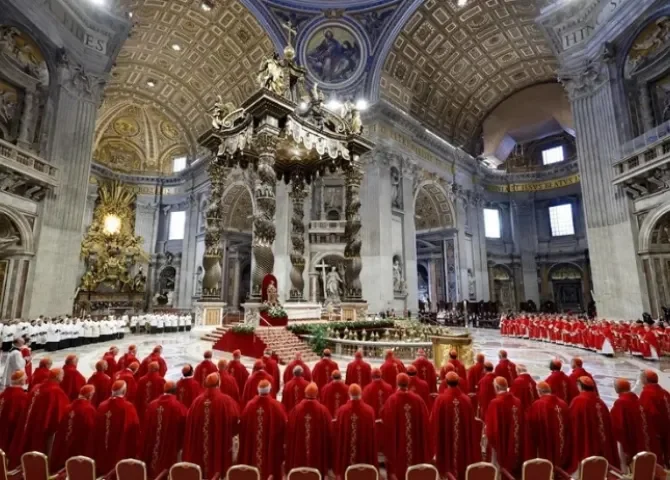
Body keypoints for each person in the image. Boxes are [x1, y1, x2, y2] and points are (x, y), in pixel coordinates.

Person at [183, 373, 240, 478]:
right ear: (218, 384)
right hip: (218, 446)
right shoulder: (226, 401)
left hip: (199, 447)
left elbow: (189, 425)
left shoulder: (196, 402)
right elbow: (235, 424)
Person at [10, 368, 70, 467]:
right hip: (44, 428)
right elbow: (63, 411)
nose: (63, 378)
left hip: (32, 423)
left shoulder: (37, 387)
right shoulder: (55, 391)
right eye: (62, 375)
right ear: (57, 377)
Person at [432, 372, 481, 480]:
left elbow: (434, 422)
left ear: (446, 382)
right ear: (458, 382)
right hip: (462, 440)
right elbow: (471, 424)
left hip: (446, 438)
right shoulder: (466, 400)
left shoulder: (440, 399)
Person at [382, 373, 432, 480]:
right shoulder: (418, 399)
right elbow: (425, 421)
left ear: (397, 383)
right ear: (408, 383)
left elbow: (385, 419)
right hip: (415, 443)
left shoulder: (392, 400)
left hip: (399, 444)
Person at [238, 379, 287, 480]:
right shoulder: (277, 406)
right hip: (270, 449)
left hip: (253, 448)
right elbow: (284, 427)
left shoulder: (249, 406)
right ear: (270, 390)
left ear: (258, 390)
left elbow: (242, 427)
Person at [568, 376, 619, 472]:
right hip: (601, 441)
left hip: (587, 440)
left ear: (580, 386)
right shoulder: (600, 402)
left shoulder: (578, 400)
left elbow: (571, 420)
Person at [140, 381, 188, 479]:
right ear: (175, 391)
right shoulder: (179, 407)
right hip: (169, 447)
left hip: (152, 446)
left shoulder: (152, 405)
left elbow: (145, 429)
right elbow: (184, 430)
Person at [91, 380, 141, 475]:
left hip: (102, 452)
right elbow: (134, 430)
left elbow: (96, 429)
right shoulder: (128, 407)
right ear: (124, 391)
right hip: (119, 452)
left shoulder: (102, 406)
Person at [285, 382, 332, 478]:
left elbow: (289, 431)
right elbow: (329, 434)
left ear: (305, 393)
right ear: (316, 394)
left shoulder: (296, 410)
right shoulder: (323, 411)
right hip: (317, 456)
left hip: (298, 455)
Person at [611, 378, 658, 472]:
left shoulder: (621, 402)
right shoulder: (638, 400)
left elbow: (616, 425)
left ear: (617, 389)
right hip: (643, 439)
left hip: (629, 439)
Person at [49, 385, 97, 472]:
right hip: (78, 447)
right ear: (90, 396)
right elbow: (91, 431)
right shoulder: (89, 409)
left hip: (63, 445)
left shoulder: (68, 407)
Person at [525, 381, 571, 471]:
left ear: (539, 392)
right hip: (562, 442)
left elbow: (531, 424)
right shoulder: (563, 403)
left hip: (547, 441)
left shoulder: (538, 404)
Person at [334, 383, 377, 477]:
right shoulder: (369, 411)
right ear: (361, 394)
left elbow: (338, 433)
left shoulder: (342, 411)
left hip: (347, 451)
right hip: (364, 450)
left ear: (349, 394)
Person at [485, 377, 524, 474]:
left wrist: (489, 437)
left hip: (500, 440)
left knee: (497, 465)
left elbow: (491, 427)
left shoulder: (495, 403)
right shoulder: (517, 401)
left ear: (497, 387)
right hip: (514, 439)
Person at [639, 369, 670, 467]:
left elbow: (649, 413)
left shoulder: (647, 393)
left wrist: (654, 432)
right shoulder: (665, 392)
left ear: (645, 380)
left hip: (656, 430)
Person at [362, 367, 392, 452]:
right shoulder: (389, 387)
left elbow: (365, 406)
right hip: (385, 421)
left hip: (373, 421)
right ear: (381, 375)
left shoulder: (367, 389)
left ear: (371, 376)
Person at [0, 370, 28, 455]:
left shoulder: (4, 393)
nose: (26, 379)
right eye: (24, 378)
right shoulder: (21, 396)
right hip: (12, 428)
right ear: (21, 381)